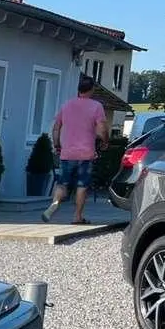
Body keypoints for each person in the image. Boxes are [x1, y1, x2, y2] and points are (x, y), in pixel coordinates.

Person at [43, 75, 109, 224]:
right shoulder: (96, 106)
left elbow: (56, 128)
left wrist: (57, 145)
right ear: (91, 89)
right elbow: (102, 129)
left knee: (62, 183)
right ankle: (77, 217)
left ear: (78, 89)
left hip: (67, 153)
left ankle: (54, 205)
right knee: (82, 185)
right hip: (86, 154)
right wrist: (105, 141)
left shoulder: (66, 105)